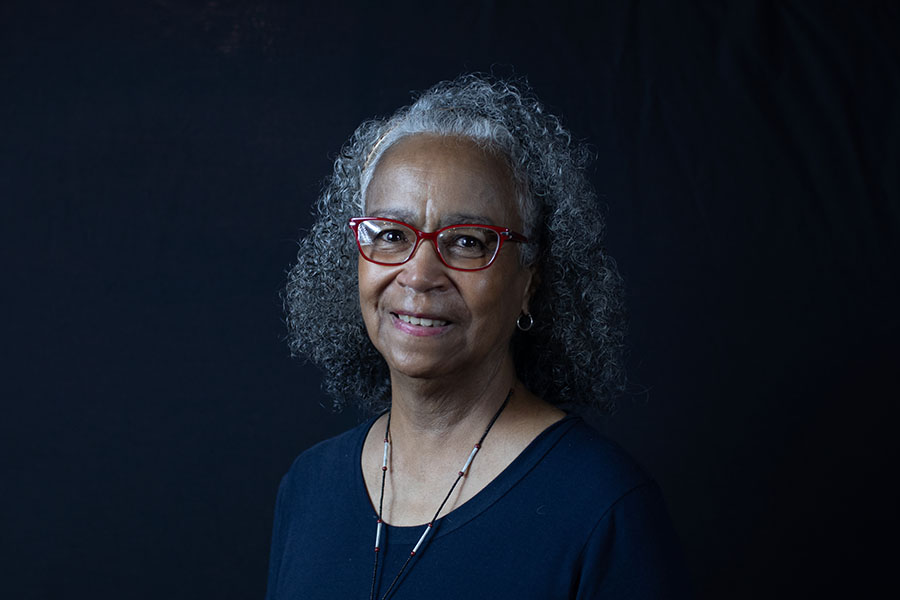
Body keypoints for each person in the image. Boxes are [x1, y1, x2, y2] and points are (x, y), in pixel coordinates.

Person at [267, 74, 692, 599]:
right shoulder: (309, 487)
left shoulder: (603, 509)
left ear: (529, 281)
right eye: (392, 236)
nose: (419, 275)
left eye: (467, 242)